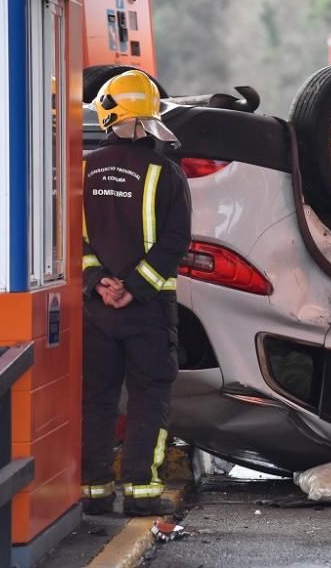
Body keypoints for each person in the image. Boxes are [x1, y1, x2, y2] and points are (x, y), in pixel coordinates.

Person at [80, 70, 192, 516]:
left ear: (109, 115)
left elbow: (73, 238)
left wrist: (98, 283)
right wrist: (136, 286)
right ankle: (141, 492)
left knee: (97, 399)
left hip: (96, 310)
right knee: (149, 398)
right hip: (148, 312)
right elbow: (176, 241)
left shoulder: (82, 169)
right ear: (148, 118)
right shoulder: (167, 173)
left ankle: (94, 491)